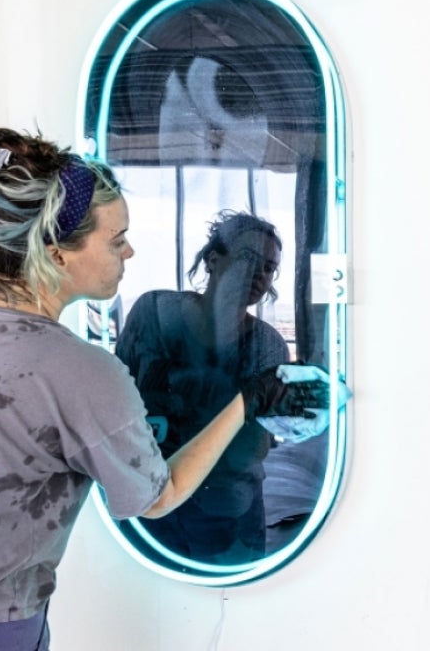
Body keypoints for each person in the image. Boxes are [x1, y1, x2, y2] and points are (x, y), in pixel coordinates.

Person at [0, 128, 310, 649]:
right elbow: (158, 496)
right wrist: (246, 401)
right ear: (54, 251)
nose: (131, 251)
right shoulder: (82, 369)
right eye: (116, 240)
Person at [115, 211, 329, 564]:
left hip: (231, 512)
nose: (259, 274)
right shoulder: (153, 313)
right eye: (248, 258)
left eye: (268, 268)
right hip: (149, 498)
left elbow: (262, 441)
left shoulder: (268, 344)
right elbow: (117, 402)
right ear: (214, 259)